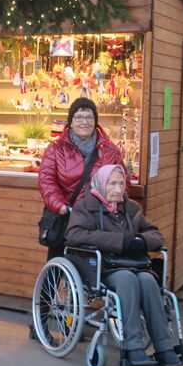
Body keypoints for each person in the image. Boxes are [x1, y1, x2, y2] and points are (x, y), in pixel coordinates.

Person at [65, 164, 182, 366]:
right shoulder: (86, 208)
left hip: (134, 264)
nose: (118, 189)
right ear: (101, 184)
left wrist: (140, 241)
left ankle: (164, 347)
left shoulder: (131, 209)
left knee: (148, 280)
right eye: (112, 184)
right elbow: (74, 235)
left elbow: (156, 234)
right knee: (127, 280)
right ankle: (132, 346)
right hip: (104, 267)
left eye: (121, 184)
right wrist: (119, 241)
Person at [38, 97, 125, 259]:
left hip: (99, 219)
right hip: (67, 216)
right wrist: (60, 206)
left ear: (95, 122)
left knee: (94, 268)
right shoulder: (55, 149)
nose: (84, 122)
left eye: (89, 117)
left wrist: (111, 205)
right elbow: (46, 181)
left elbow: (122, 181)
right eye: (78, 117)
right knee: (57, 266)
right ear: (70, 122)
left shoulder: (110, 150)